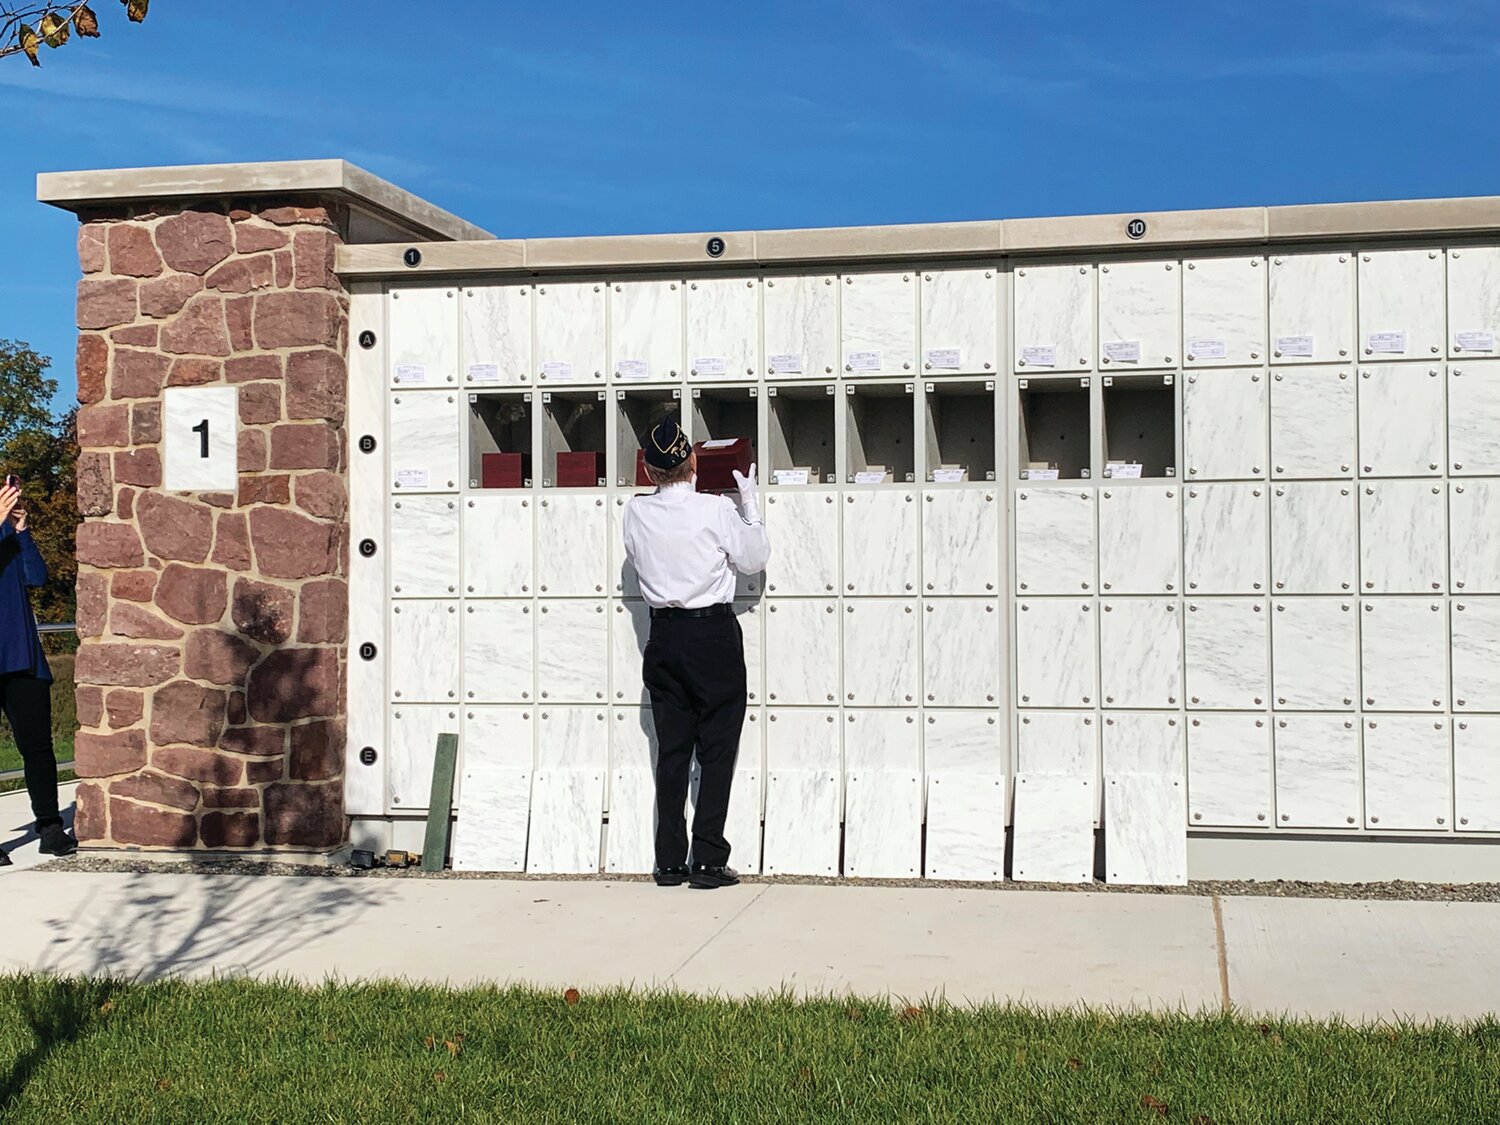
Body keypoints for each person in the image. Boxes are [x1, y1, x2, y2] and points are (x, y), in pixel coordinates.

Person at [622, 419, 770, 890]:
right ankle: (707, 858)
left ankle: (668, 861)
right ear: (694, 462)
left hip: (663, 637)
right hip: (712, 637)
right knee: (717, 749)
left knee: (672, 751)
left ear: (648, 470)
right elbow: (753, 559)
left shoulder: (635, 513)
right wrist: (748, 506)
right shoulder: (714, 508)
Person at [0, 479, 74, 861]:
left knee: (38, 747)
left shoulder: (7, 534)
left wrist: (21, 530)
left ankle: (50, 826)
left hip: (21, 655)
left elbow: (36, 577)